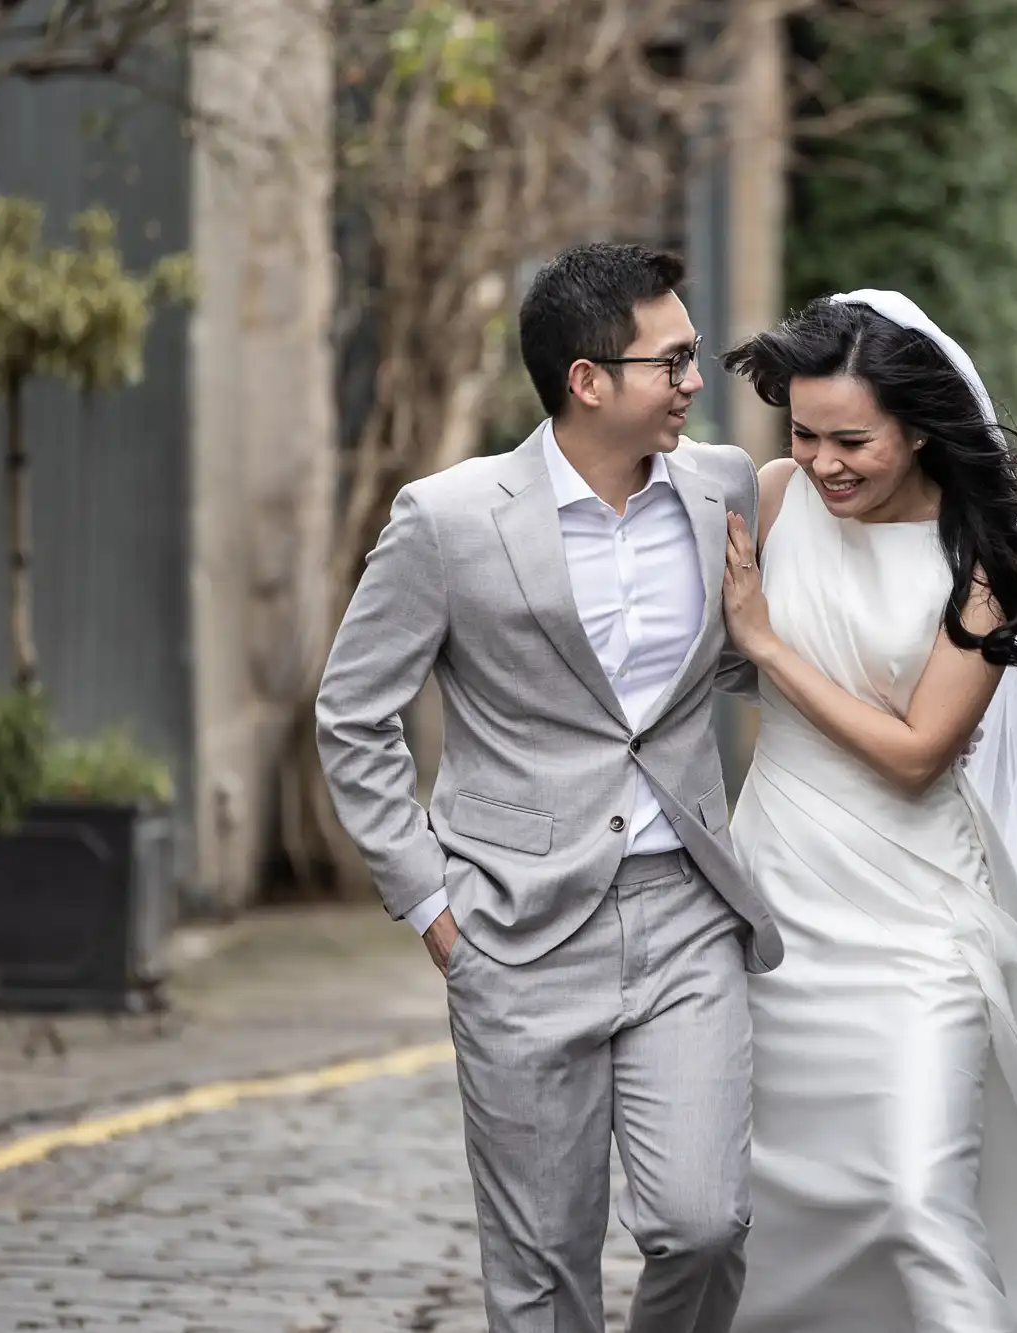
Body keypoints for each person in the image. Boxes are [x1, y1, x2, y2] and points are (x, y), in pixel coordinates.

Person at [315, 242, 779, 1333]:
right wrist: (433, 910)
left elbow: (729, 664)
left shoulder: (719, 487)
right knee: (540, 1272)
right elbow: (351, 712)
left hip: (684, 913)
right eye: (670, 362)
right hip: (512, 929)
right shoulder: (448, 519)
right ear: (587, 379)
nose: (694, 382)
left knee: (705, 1224)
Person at [718, 290, 1017, 1332]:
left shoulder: (981, 561)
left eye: (851, 440)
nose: (822, 461)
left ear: (916, 428)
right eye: (802, 433)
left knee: (914, 1194)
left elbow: (919, 754)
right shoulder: (774, 498)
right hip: (775, 900)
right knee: (776, 1206)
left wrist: (768, 643)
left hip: (916, 916)